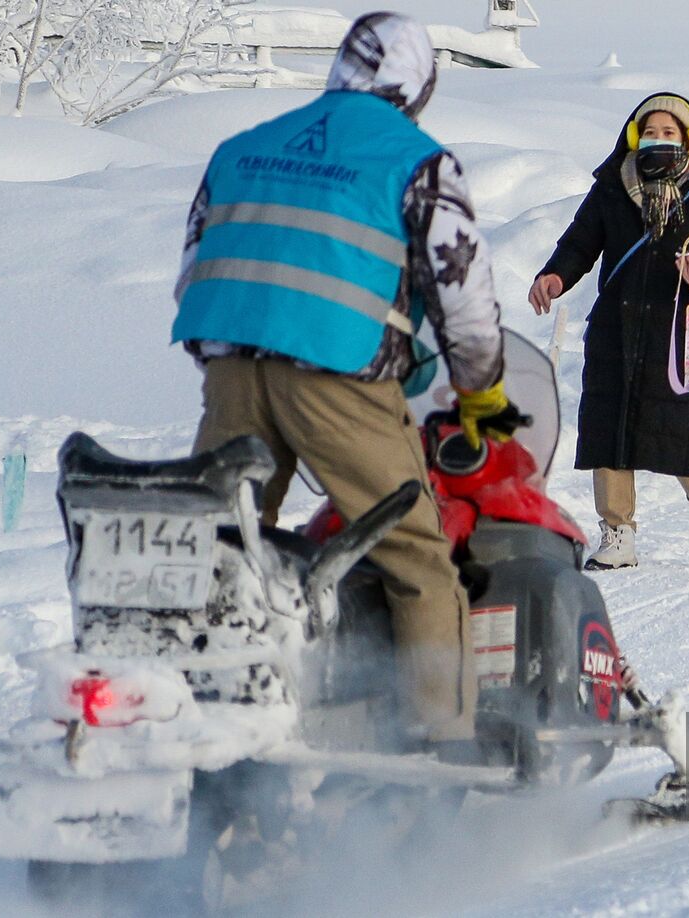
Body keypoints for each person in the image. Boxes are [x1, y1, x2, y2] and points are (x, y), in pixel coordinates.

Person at [171, 14, 520, 748]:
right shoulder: (418, 164)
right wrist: (480, 390)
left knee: (227, 553)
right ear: (418, 86)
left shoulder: (243, 147)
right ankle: (440, 748)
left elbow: (194, 272)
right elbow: (465, 301)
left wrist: (242, 359)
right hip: (338, 378)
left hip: (231, 368)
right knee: (416, 557)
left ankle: (207, 729)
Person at [529, 93, 689, 570]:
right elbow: (579, 244)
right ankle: (617, 531)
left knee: (681, 433)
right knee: (611, 430)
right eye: (650, 132)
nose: (658, 141)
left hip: (676, 339)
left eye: (670, 133)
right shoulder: (611, 193)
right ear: (634, 137)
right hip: (615, 331)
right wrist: (555, 275)